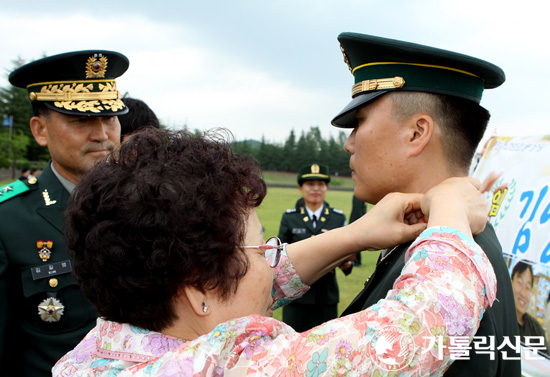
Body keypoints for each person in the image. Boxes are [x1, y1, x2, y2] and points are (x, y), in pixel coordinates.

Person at [53, 127, 496, 376]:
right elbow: (417, 330)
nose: (274, 258)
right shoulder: (230, 367)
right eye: (262, 249)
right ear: (197, 288)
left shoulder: (104, 350)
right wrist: (451, 211)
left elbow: (246, 286)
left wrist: (358, 232)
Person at [331, 32, 520, 376]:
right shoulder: (449, 246)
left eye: (359, 123)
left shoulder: (451, 273)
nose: (349, 143)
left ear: (417, 133)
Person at [0, 50, 129, 377]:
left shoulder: (148, 206)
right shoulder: (8, 221)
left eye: (110, 117)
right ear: (40, 130)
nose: (101, 134)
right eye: (82, 120)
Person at [278, 163, 349, 332]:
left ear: (327, 187)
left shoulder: (337, 219)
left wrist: (345, 262)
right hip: (296, 297)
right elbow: (280, 257)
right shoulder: (290, 218)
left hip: (326, 297)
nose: (316, 188)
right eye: (310, 184)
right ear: (300, 188)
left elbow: (347, 260)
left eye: (321, 184)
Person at [510, 261, 550, 354]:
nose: (523, 293)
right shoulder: (499, 320)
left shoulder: (536, 329)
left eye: (527, 287)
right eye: (519, 283)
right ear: (510, 283)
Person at [349, 194, 367, 265]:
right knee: (355, 243)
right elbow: (357, 211)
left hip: (359, 221)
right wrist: (361, 222)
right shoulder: (359, 196)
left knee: (359, 243)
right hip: (356, 222)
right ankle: (355, 261)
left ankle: (358, 261)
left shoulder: (362, 196)